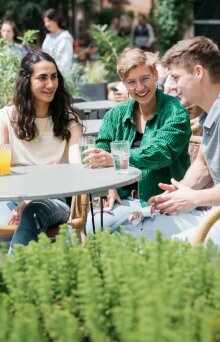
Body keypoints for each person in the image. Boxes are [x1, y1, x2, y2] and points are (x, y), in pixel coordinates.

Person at [83, 47, 191, 233]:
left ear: (155, 75)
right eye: (132, 82)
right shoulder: (115, 115)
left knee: (130, 236)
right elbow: (101, 149)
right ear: (124, 84)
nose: (140, 88)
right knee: (90, 228)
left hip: (163, 202)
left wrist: (116, 159)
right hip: (123, 200)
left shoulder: (175, 111)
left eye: (145, 79)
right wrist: (109, 185)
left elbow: (161, 152)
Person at [132, 36, 220, 245]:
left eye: (176, 77)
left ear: (198, 72)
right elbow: (203, 164)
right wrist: (178, 193)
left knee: (150, 249)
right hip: (213, 216)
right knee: (136, 231)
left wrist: (193, 198)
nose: (171, 85)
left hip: (214, 219)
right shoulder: (209, 113)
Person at [0, 50, 83, 251]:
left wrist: (28, 202)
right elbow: (3, 169)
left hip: (56, 200)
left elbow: (77, 170)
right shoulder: (5, 118)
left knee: (32, 212)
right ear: (26, 81)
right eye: (42, 78)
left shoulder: (69, 121)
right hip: (12, 198)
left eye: (54, 77)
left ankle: (13, 279)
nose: (50, 84)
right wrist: (23, 200)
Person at [42, 8, 74, 75]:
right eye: (45, 22)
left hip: (59, 76)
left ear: (55, 20)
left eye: (48, 20)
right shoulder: (48, 37)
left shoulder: (65, 37)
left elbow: (66, 62)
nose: (46, 24)